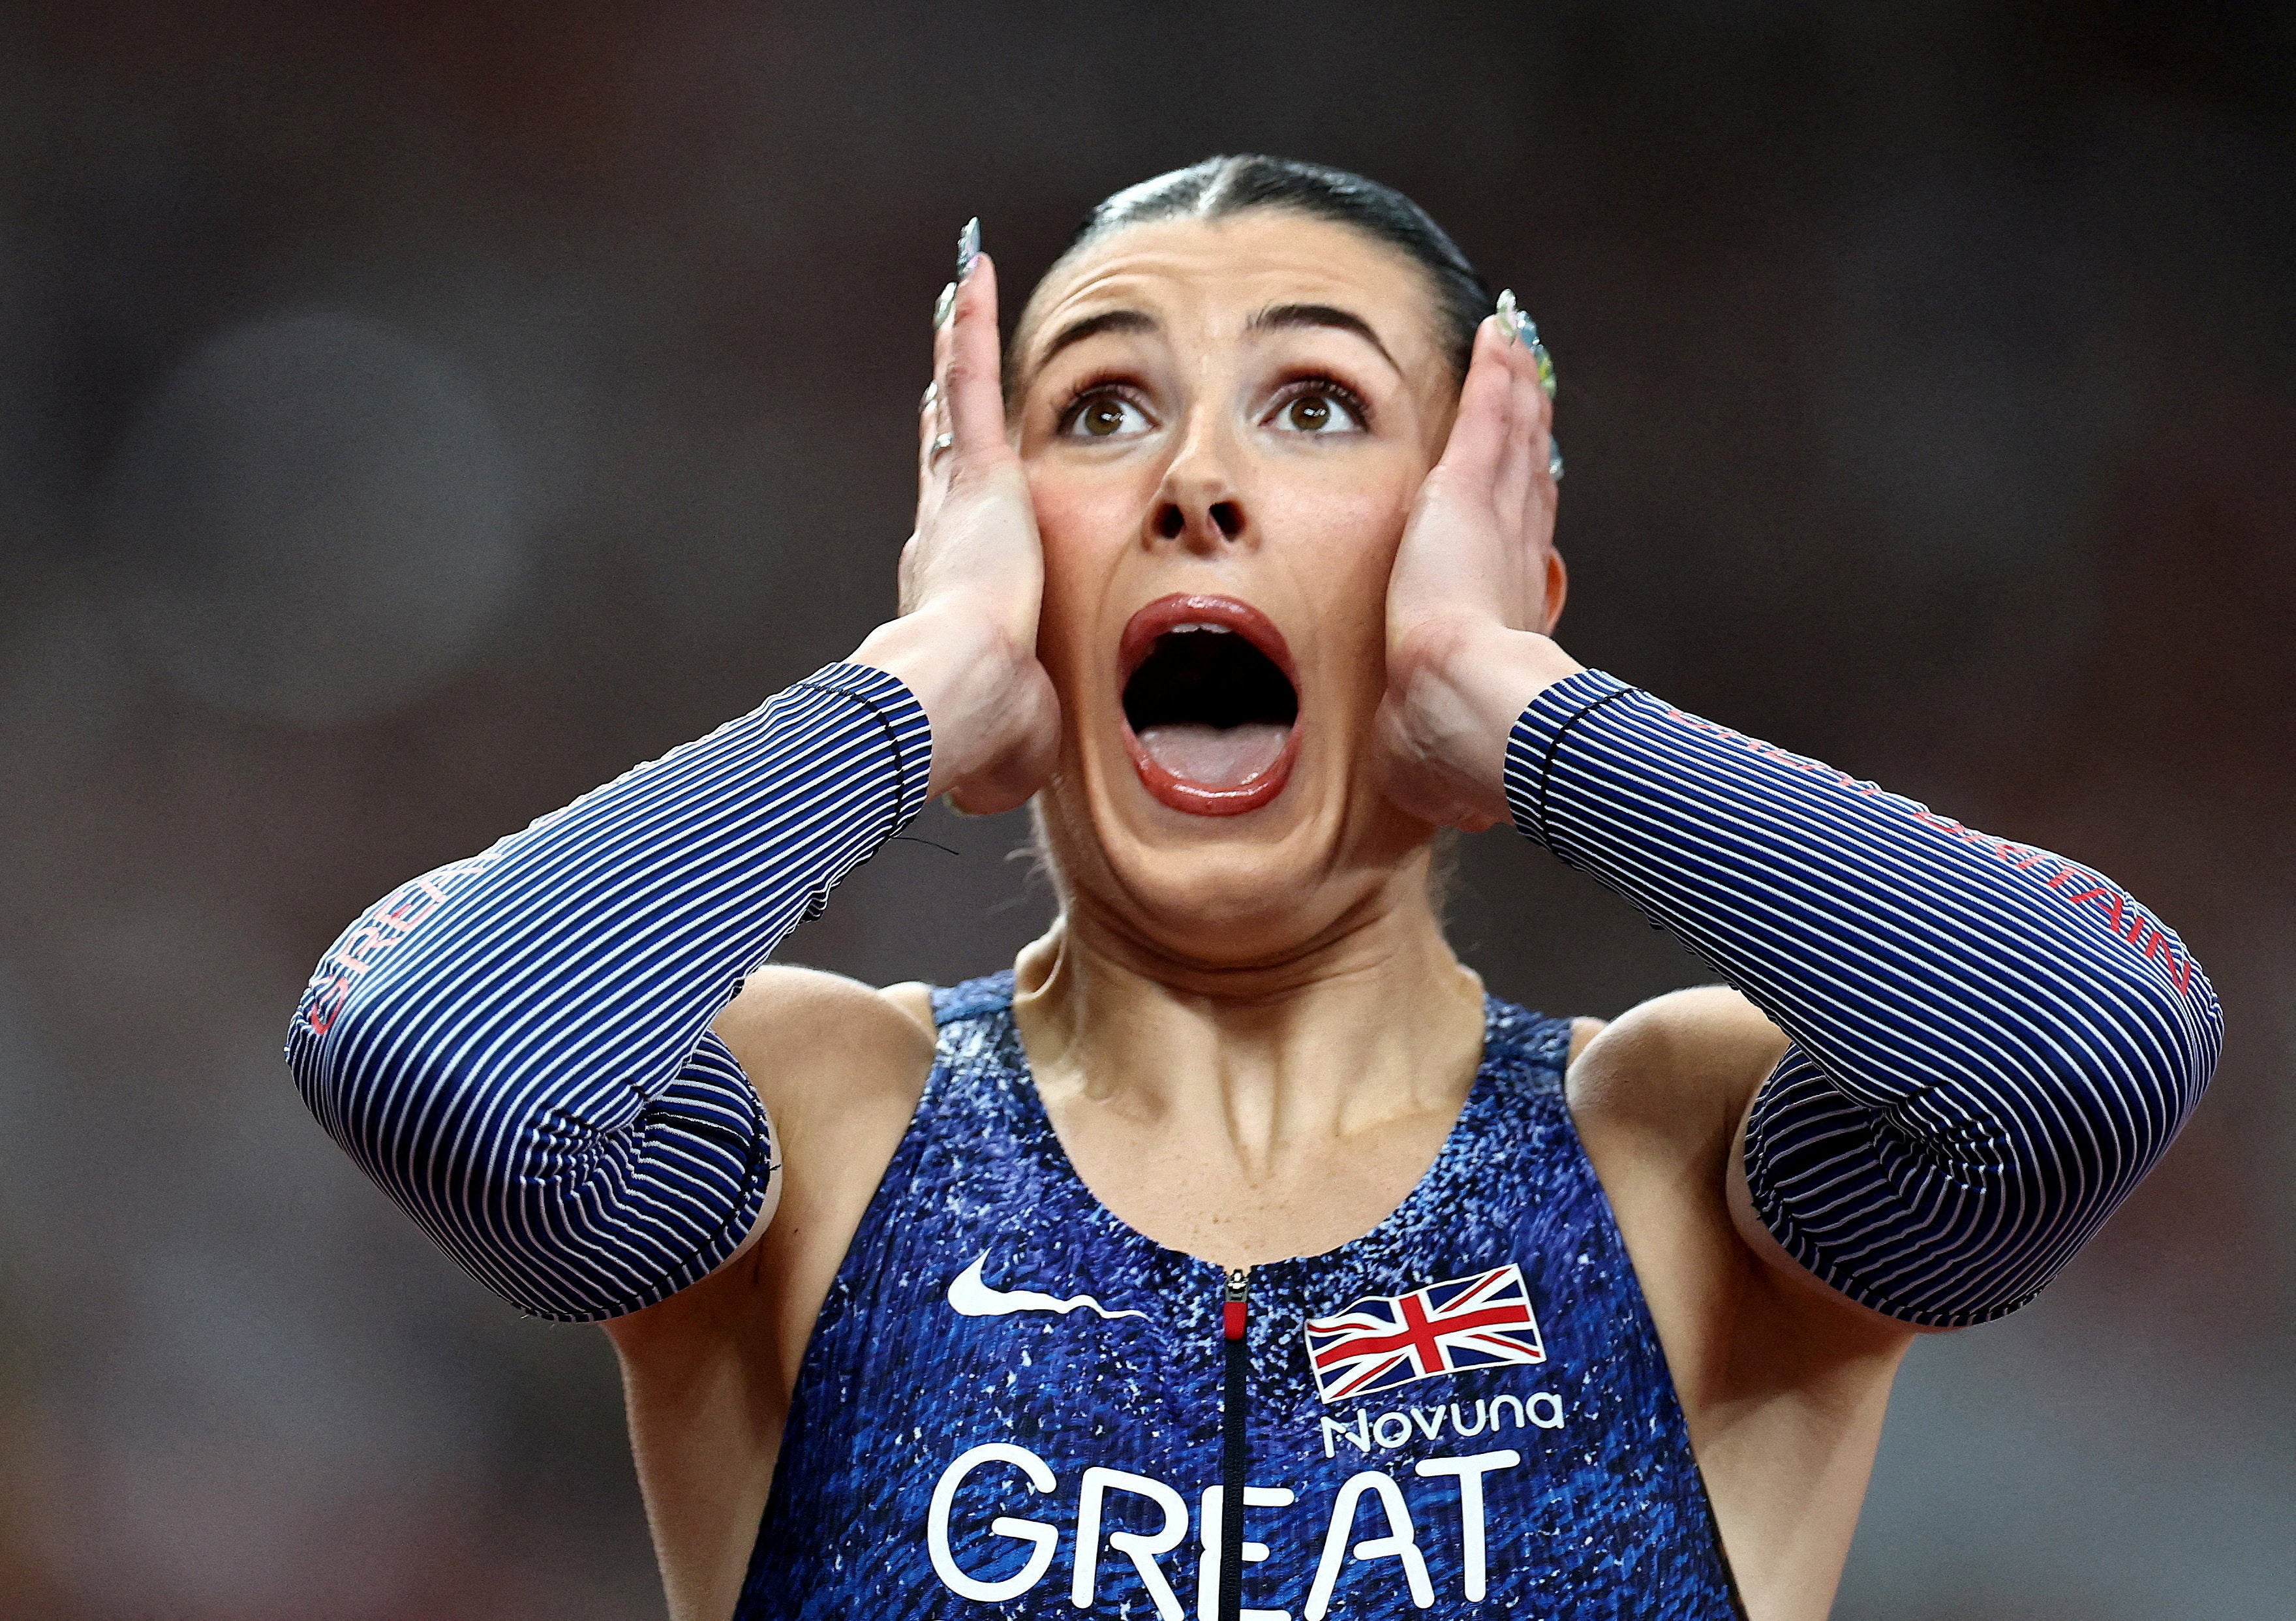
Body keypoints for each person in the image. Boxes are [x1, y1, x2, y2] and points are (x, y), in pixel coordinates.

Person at [286, 157, 2221, 1621]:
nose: (1192, 480)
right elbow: (434, 1057)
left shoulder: (1670, 1161)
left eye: (1315, 407)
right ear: (1006, 544)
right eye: (1102, 412)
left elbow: (2089, 1049)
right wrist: (912, 688)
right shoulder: (831, 1128)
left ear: (1478, 551)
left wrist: (1517, 706)